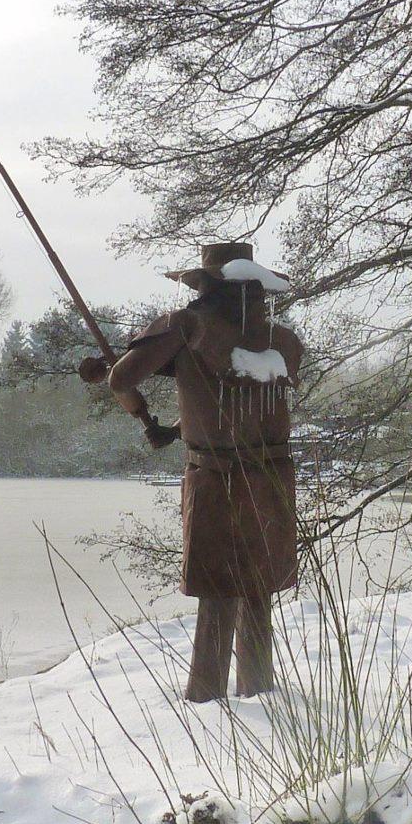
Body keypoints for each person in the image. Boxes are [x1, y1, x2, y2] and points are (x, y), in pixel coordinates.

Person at [87, 242, 302, 702]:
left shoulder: (186, 327)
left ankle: (205, 698)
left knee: (219, 592)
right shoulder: (283, 341)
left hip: (218, 478)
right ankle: (257, 692)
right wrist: (180, 415)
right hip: (273, 479)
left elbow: (122, 379)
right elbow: (231, 398)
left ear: (206, 286)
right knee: (257, 590)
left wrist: (147, 420)